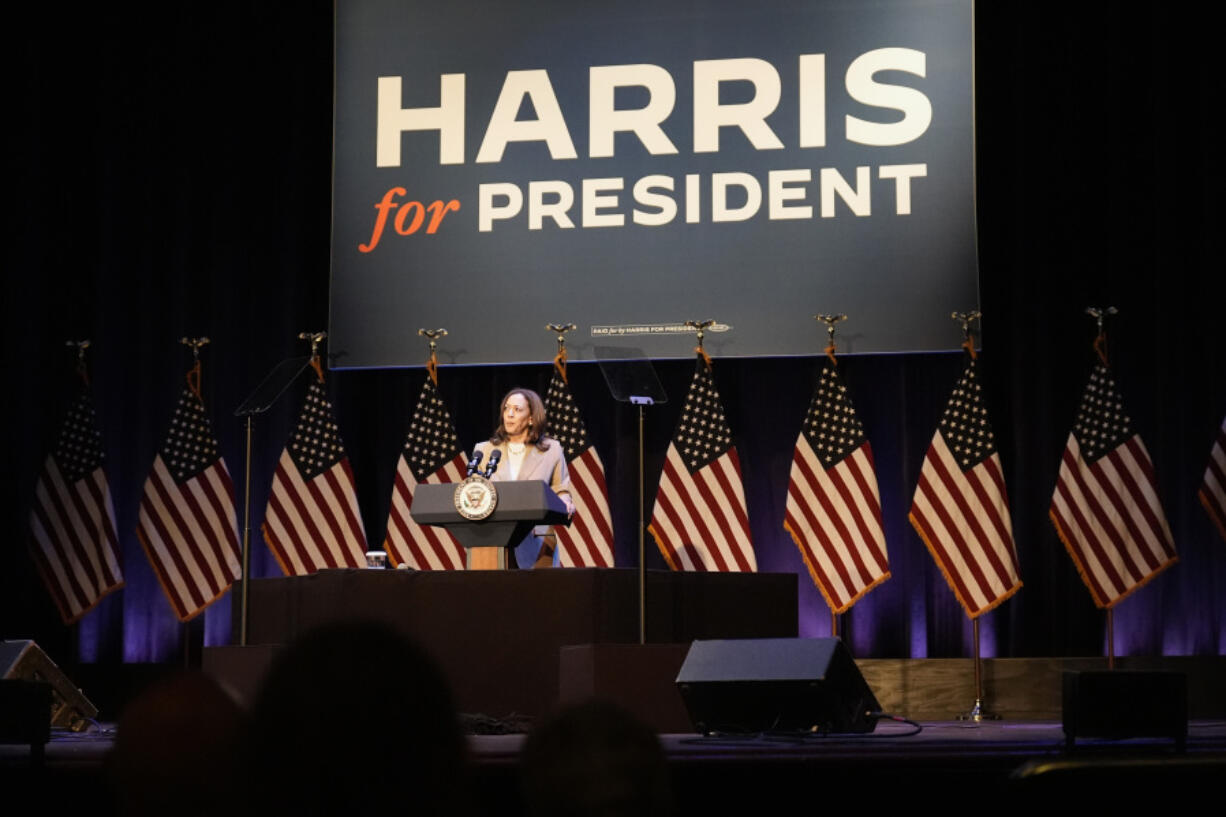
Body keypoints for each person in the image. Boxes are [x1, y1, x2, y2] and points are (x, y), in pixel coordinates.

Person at [475, 386, 574, 568]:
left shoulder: (551, 450)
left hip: (537, 542)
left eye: (517, 409)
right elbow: (476, 491)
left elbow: (561, 489)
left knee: (539, 595)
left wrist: (566, 501)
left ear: (531, 418)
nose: (509, 414)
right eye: (506, 408)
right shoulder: (484, 450)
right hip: (493, 540)